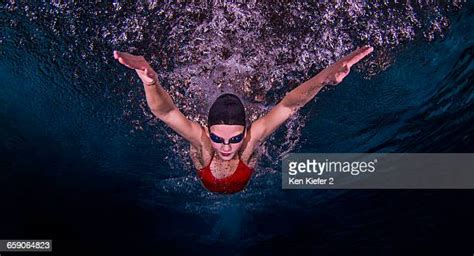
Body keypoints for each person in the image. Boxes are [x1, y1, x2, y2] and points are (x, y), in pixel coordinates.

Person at [113, 45, 374, 194]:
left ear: (245, 131)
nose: (226, 148)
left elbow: (290, 104)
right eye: (218, 138)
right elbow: (166, 112)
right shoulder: (203, 143)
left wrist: (323, 80)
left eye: (235, 138)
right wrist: (151, 82)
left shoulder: (251, 140)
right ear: (207, 130)